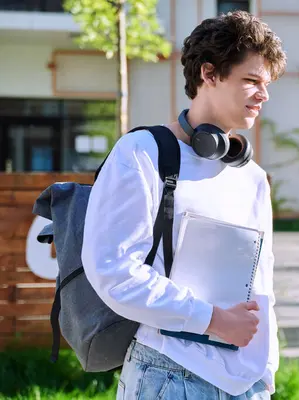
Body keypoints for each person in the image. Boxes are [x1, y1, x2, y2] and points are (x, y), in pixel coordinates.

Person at [81, 11, 286, 399]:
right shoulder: (143, 153)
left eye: (267, 83)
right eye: (251, 80)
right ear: (209, 74)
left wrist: (266, 370)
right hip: (170, 374)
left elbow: (262, 287)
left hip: (247, 383)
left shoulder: (253, 177)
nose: (264, 94)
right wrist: (211, 320)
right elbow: (115, 270)